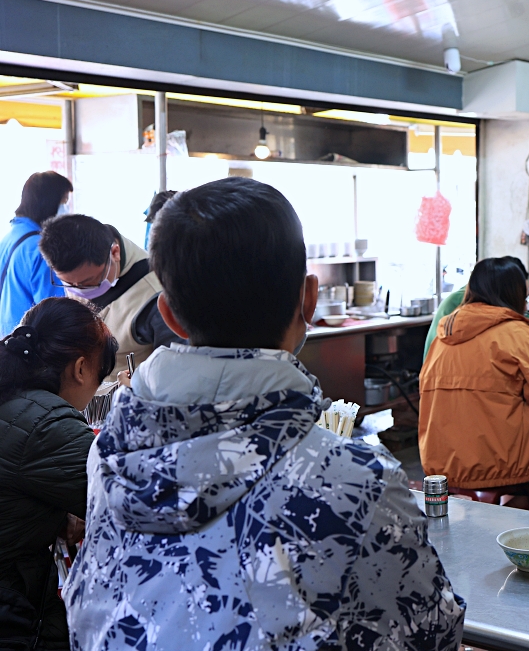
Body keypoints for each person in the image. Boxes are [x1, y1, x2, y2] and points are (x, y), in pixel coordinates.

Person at [65, 178, 466, 649]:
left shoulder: (109, 452)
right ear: (309, 299)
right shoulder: (354, 479)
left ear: (168, 315)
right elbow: (433, 630)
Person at [420, 257, 529, 507]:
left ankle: (497, 519)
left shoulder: (444, 333)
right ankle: (514, 515)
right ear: (513, 294)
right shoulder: (517, 333)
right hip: (501, 467)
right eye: (525, 297)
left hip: (442, 462)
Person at [0, 297, 117, 650]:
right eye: (100, 377)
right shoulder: (47, 423)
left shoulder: (11, 394)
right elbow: (124, 499)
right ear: (81, 368)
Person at [39, 213, 183, 377]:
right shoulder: (78, 252)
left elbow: (173, 373)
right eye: (69, 284)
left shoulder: (156, 296)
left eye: (90, 281)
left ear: (115, 253)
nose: (80, 291)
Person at [423, 256, 529, 361]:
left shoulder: (489, 309)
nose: (525, 307)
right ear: (505, 293)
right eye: (523, 298)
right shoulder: (458, 307)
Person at [0, 171, 72, 335]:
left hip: (8, 341)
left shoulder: (8, 238)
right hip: (32, 346)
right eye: (64, 202)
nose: (67, 209)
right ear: (50, 203)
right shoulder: (41, 248)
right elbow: (57, 311)